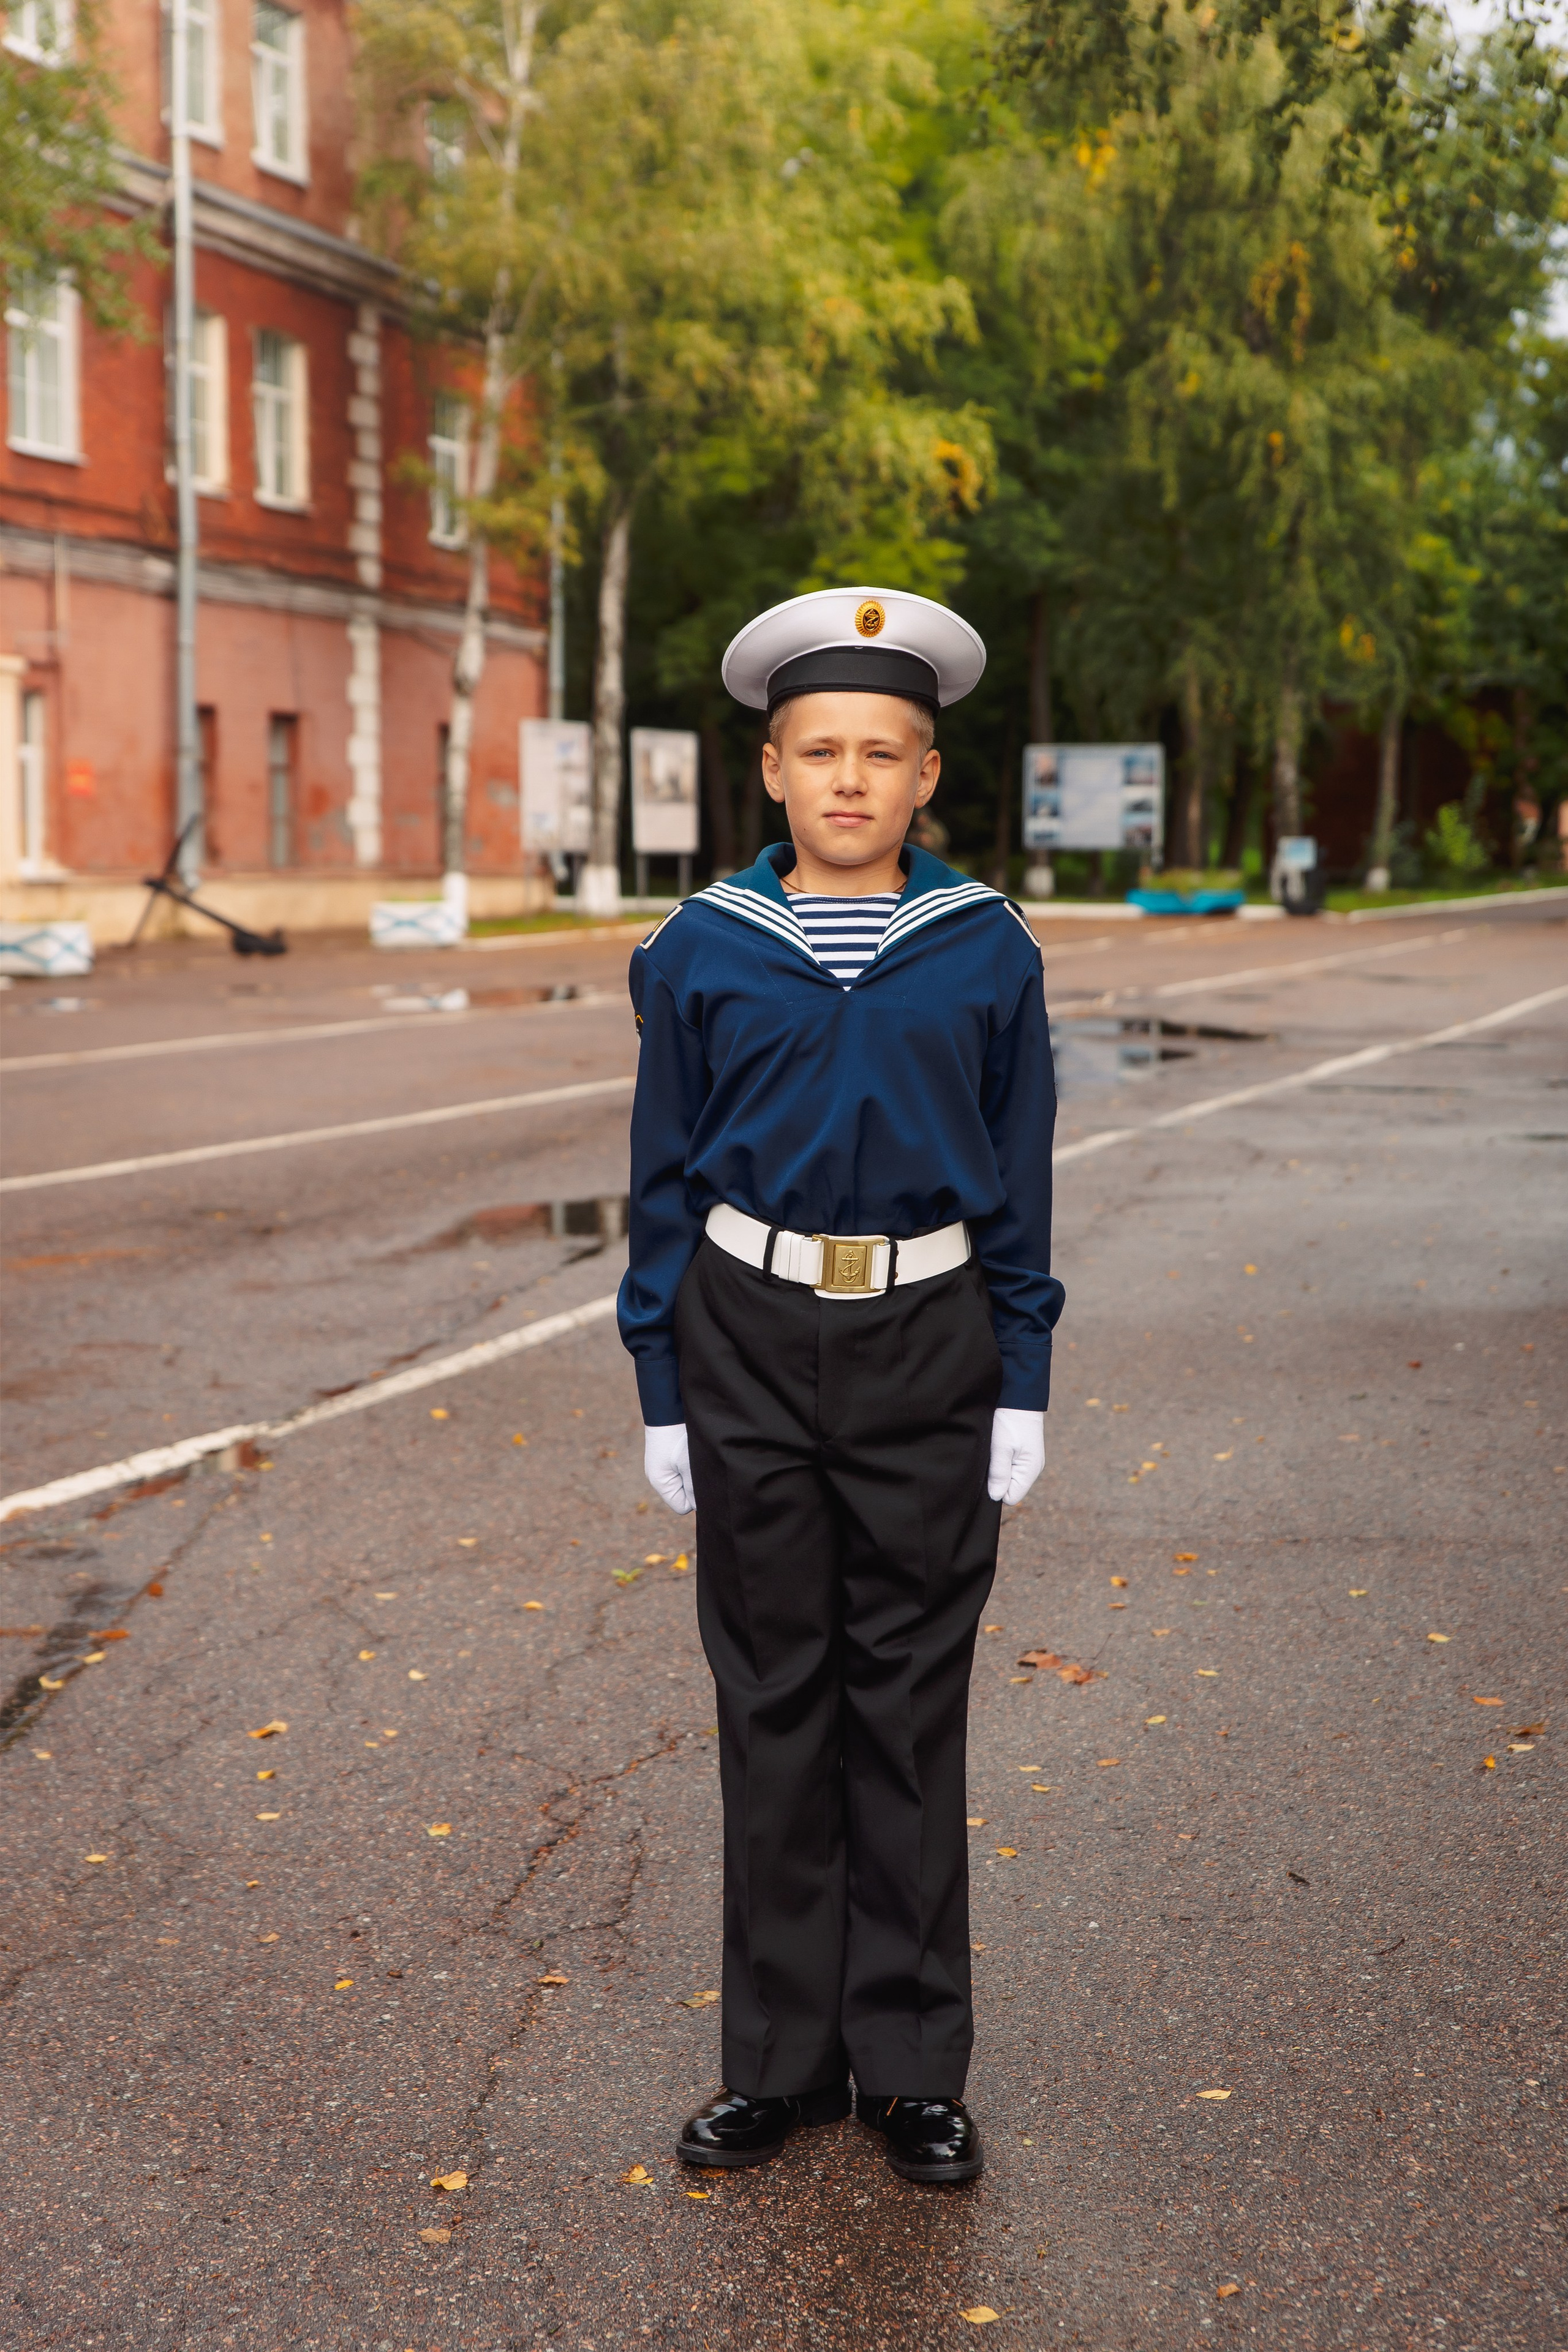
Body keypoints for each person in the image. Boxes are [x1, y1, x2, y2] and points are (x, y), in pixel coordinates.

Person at [617, 586, 1063, 2185]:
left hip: (931, 1349)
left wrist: (1026, 1370)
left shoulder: (984, 951)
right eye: (822, 751)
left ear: (929, 775)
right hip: (746, 1337)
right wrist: (659, 1376)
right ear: (776, 772)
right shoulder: (702, 950)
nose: (852, 780)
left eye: (884, 752)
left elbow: (1019, 1180)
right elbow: (660, 1176)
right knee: (772, 1701)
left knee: (907, 1708)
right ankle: (780, 2064)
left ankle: (914, 2067)